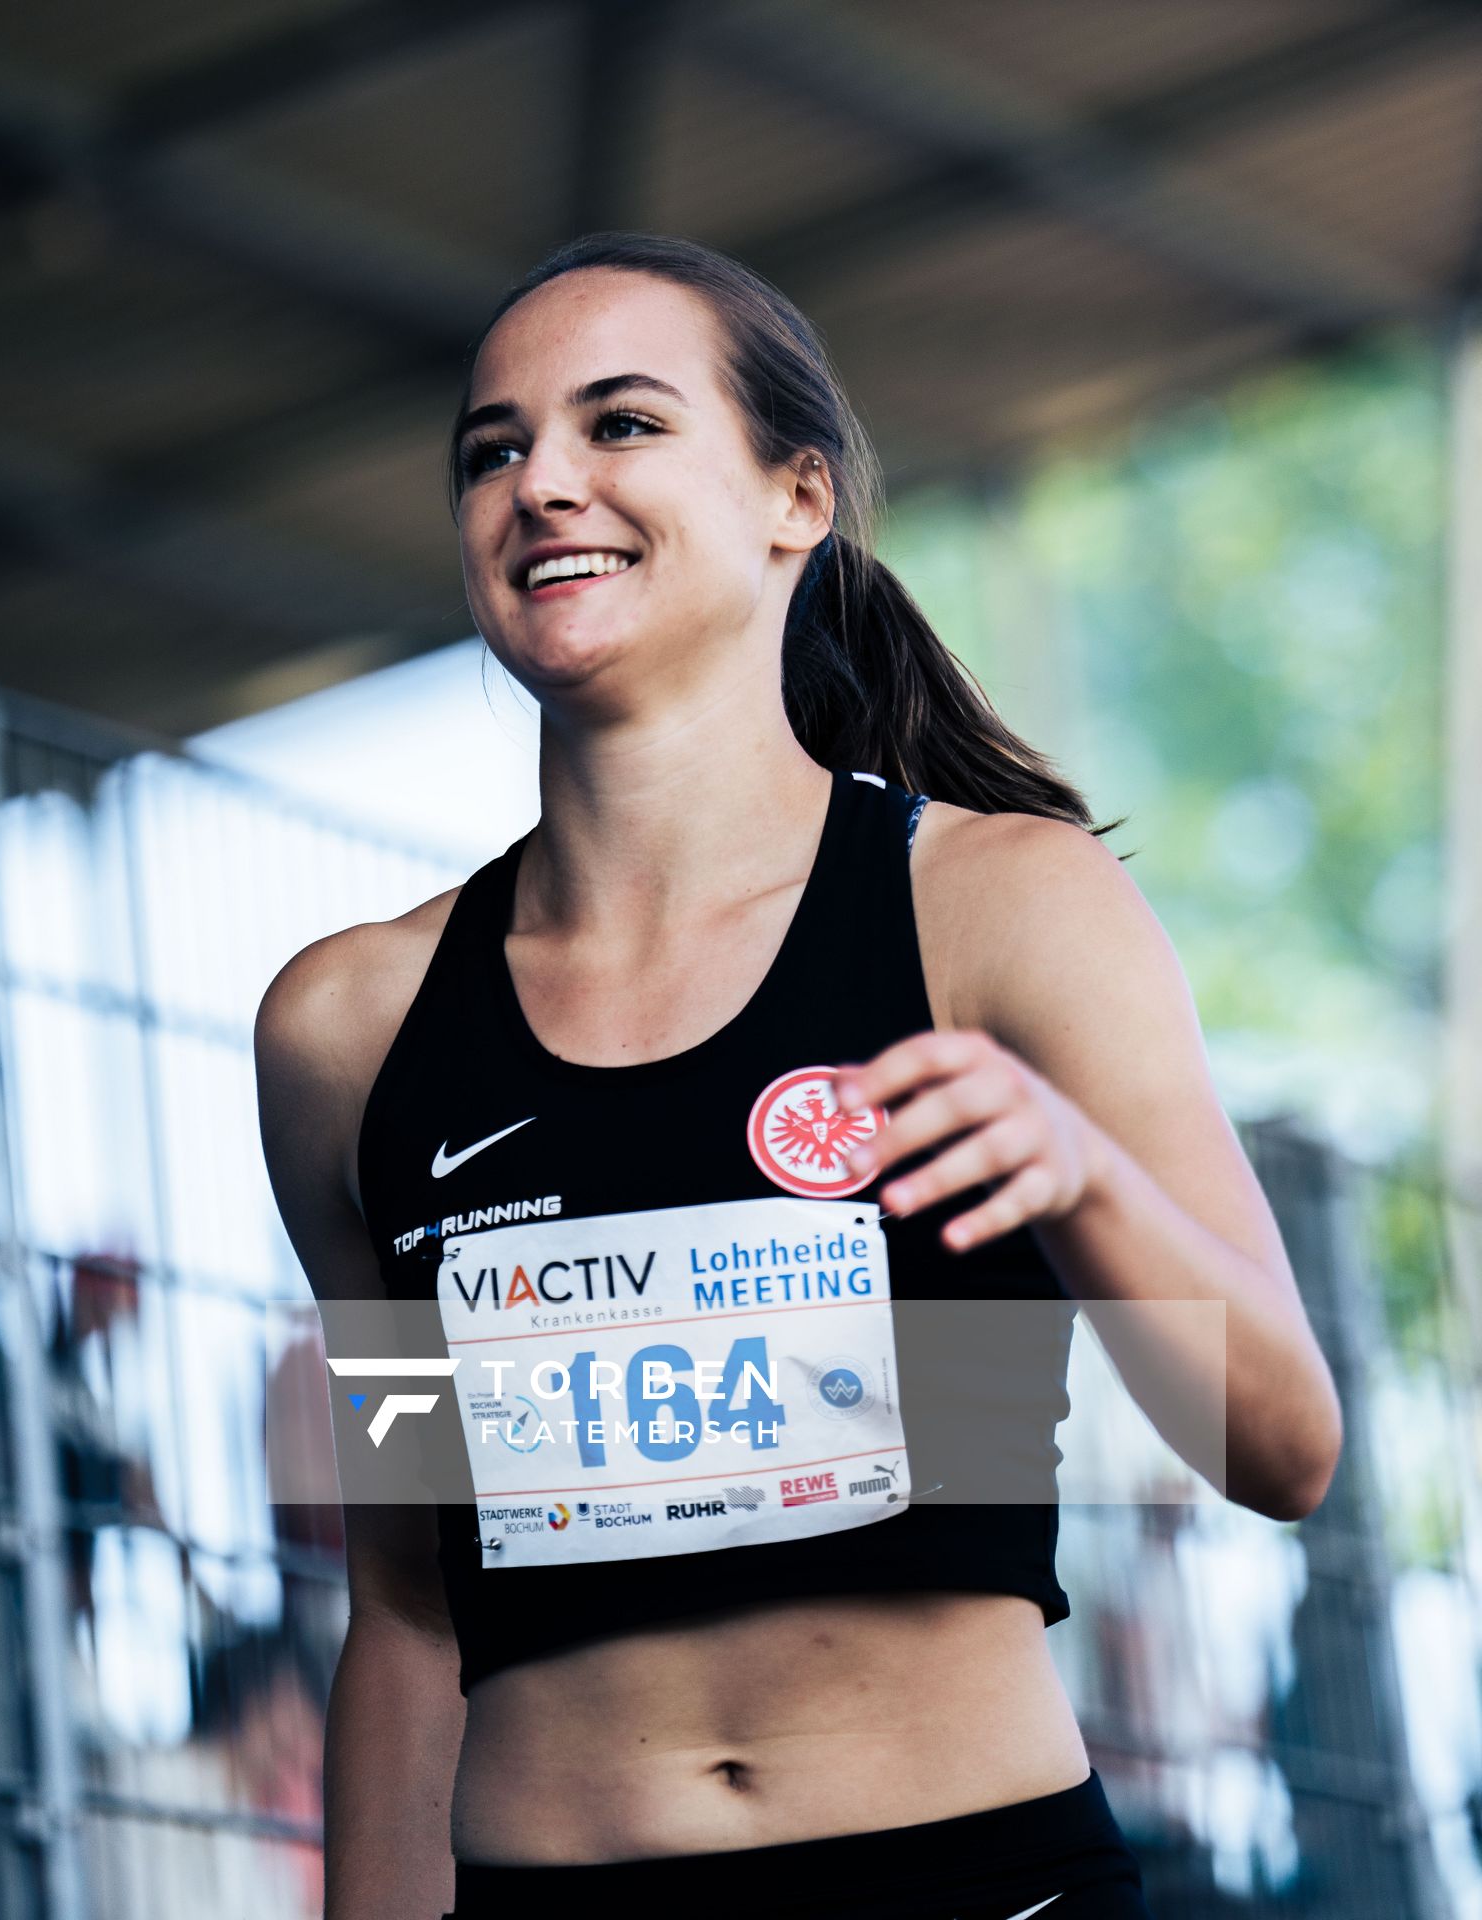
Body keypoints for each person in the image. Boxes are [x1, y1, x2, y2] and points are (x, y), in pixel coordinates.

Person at [253, 231, 1344, 1920]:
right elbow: (407, 1595)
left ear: (796, 499)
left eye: (620, 425)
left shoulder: (996, 905)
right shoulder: (348, 1035)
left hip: (976, 1882)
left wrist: (1082, 1171)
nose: (544, 480)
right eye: (495, 448)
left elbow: (1282, 1448)